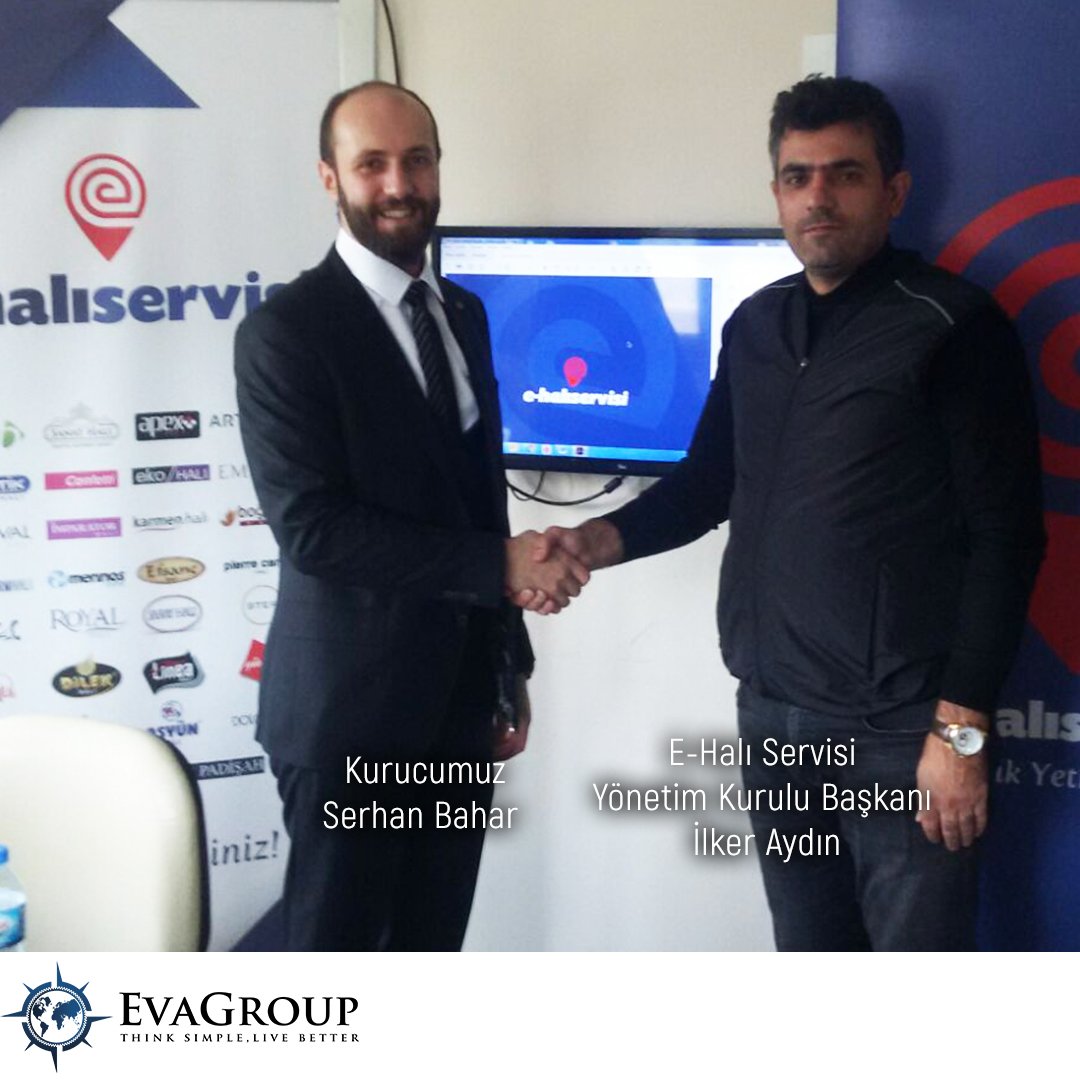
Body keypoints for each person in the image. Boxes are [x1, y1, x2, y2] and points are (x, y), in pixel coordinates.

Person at [526, 75, 1045, 950]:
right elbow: (704, 486)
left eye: (845, 174)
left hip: (899, 731)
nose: (818, 197)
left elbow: (1009, 539)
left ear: (894, 191)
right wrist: (589, 541)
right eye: (798, 176)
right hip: (773, 718)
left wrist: (959, 735)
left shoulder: (953, 326)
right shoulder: (756, 325)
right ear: (776, 193)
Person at [235, 81, 588, 951]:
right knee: (341, 969)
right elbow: (313, 529)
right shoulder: (285, 332)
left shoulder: (462, 313)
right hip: (349, 720)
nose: (400, 184)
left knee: (432, 948)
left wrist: (507, 664)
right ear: (330, 177)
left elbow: (476, 500)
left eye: (417, 160)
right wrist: (502, 567)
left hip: (459, 708)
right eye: (373, 164)